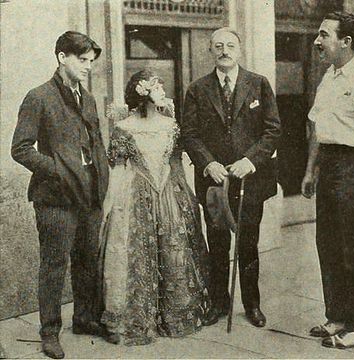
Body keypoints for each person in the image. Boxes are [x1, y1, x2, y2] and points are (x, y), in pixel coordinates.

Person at [11, 31, 110, 359]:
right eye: (82, 60)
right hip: (55, 198)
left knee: (86, 261)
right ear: (61, 57)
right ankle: (49, 332)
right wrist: (56, 169)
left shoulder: (89, 98)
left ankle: (84, 318)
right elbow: (20, 149)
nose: (88, 67)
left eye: (91, 62)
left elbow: (94, 143)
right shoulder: (38, 97)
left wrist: (100, 180)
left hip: (88, 196)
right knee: (54, 266)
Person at [99, 70, 209, 346]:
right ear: (142, 92)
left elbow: (176, 163)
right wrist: (110, 205)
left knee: (173, 248)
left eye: (161, 85)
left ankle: (173, 315)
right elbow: (117, 168)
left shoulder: (171, 125)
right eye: (156, 86)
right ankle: (137, 318)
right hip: (135, 194)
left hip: (169, 191)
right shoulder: (124, 128)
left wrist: (183, 196)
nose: (162, 90)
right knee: (135, 253)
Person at [181, 27, 281, 327]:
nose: (225, 50)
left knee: (249, 243)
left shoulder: (258, 84)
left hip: (250, 179)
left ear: (240, 50)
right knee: (218, 243)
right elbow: (189, 133)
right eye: (219, 46)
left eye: (230, 46)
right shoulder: (197, 89)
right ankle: (219, 303)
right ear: (211, 51)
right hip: (214, 182)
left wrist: (251, 160)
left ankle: (252, 305)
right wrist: (208, 163)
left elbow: (273, 130)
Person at [301, 11, 354, 349]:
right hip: (331, 164)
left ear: (346, 41)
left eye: (324, 35)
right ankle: (338, 316)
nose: (317, 41)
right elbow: (318, 129)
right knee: (329, 243)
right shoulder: (329, 76)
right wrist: (311, 170)